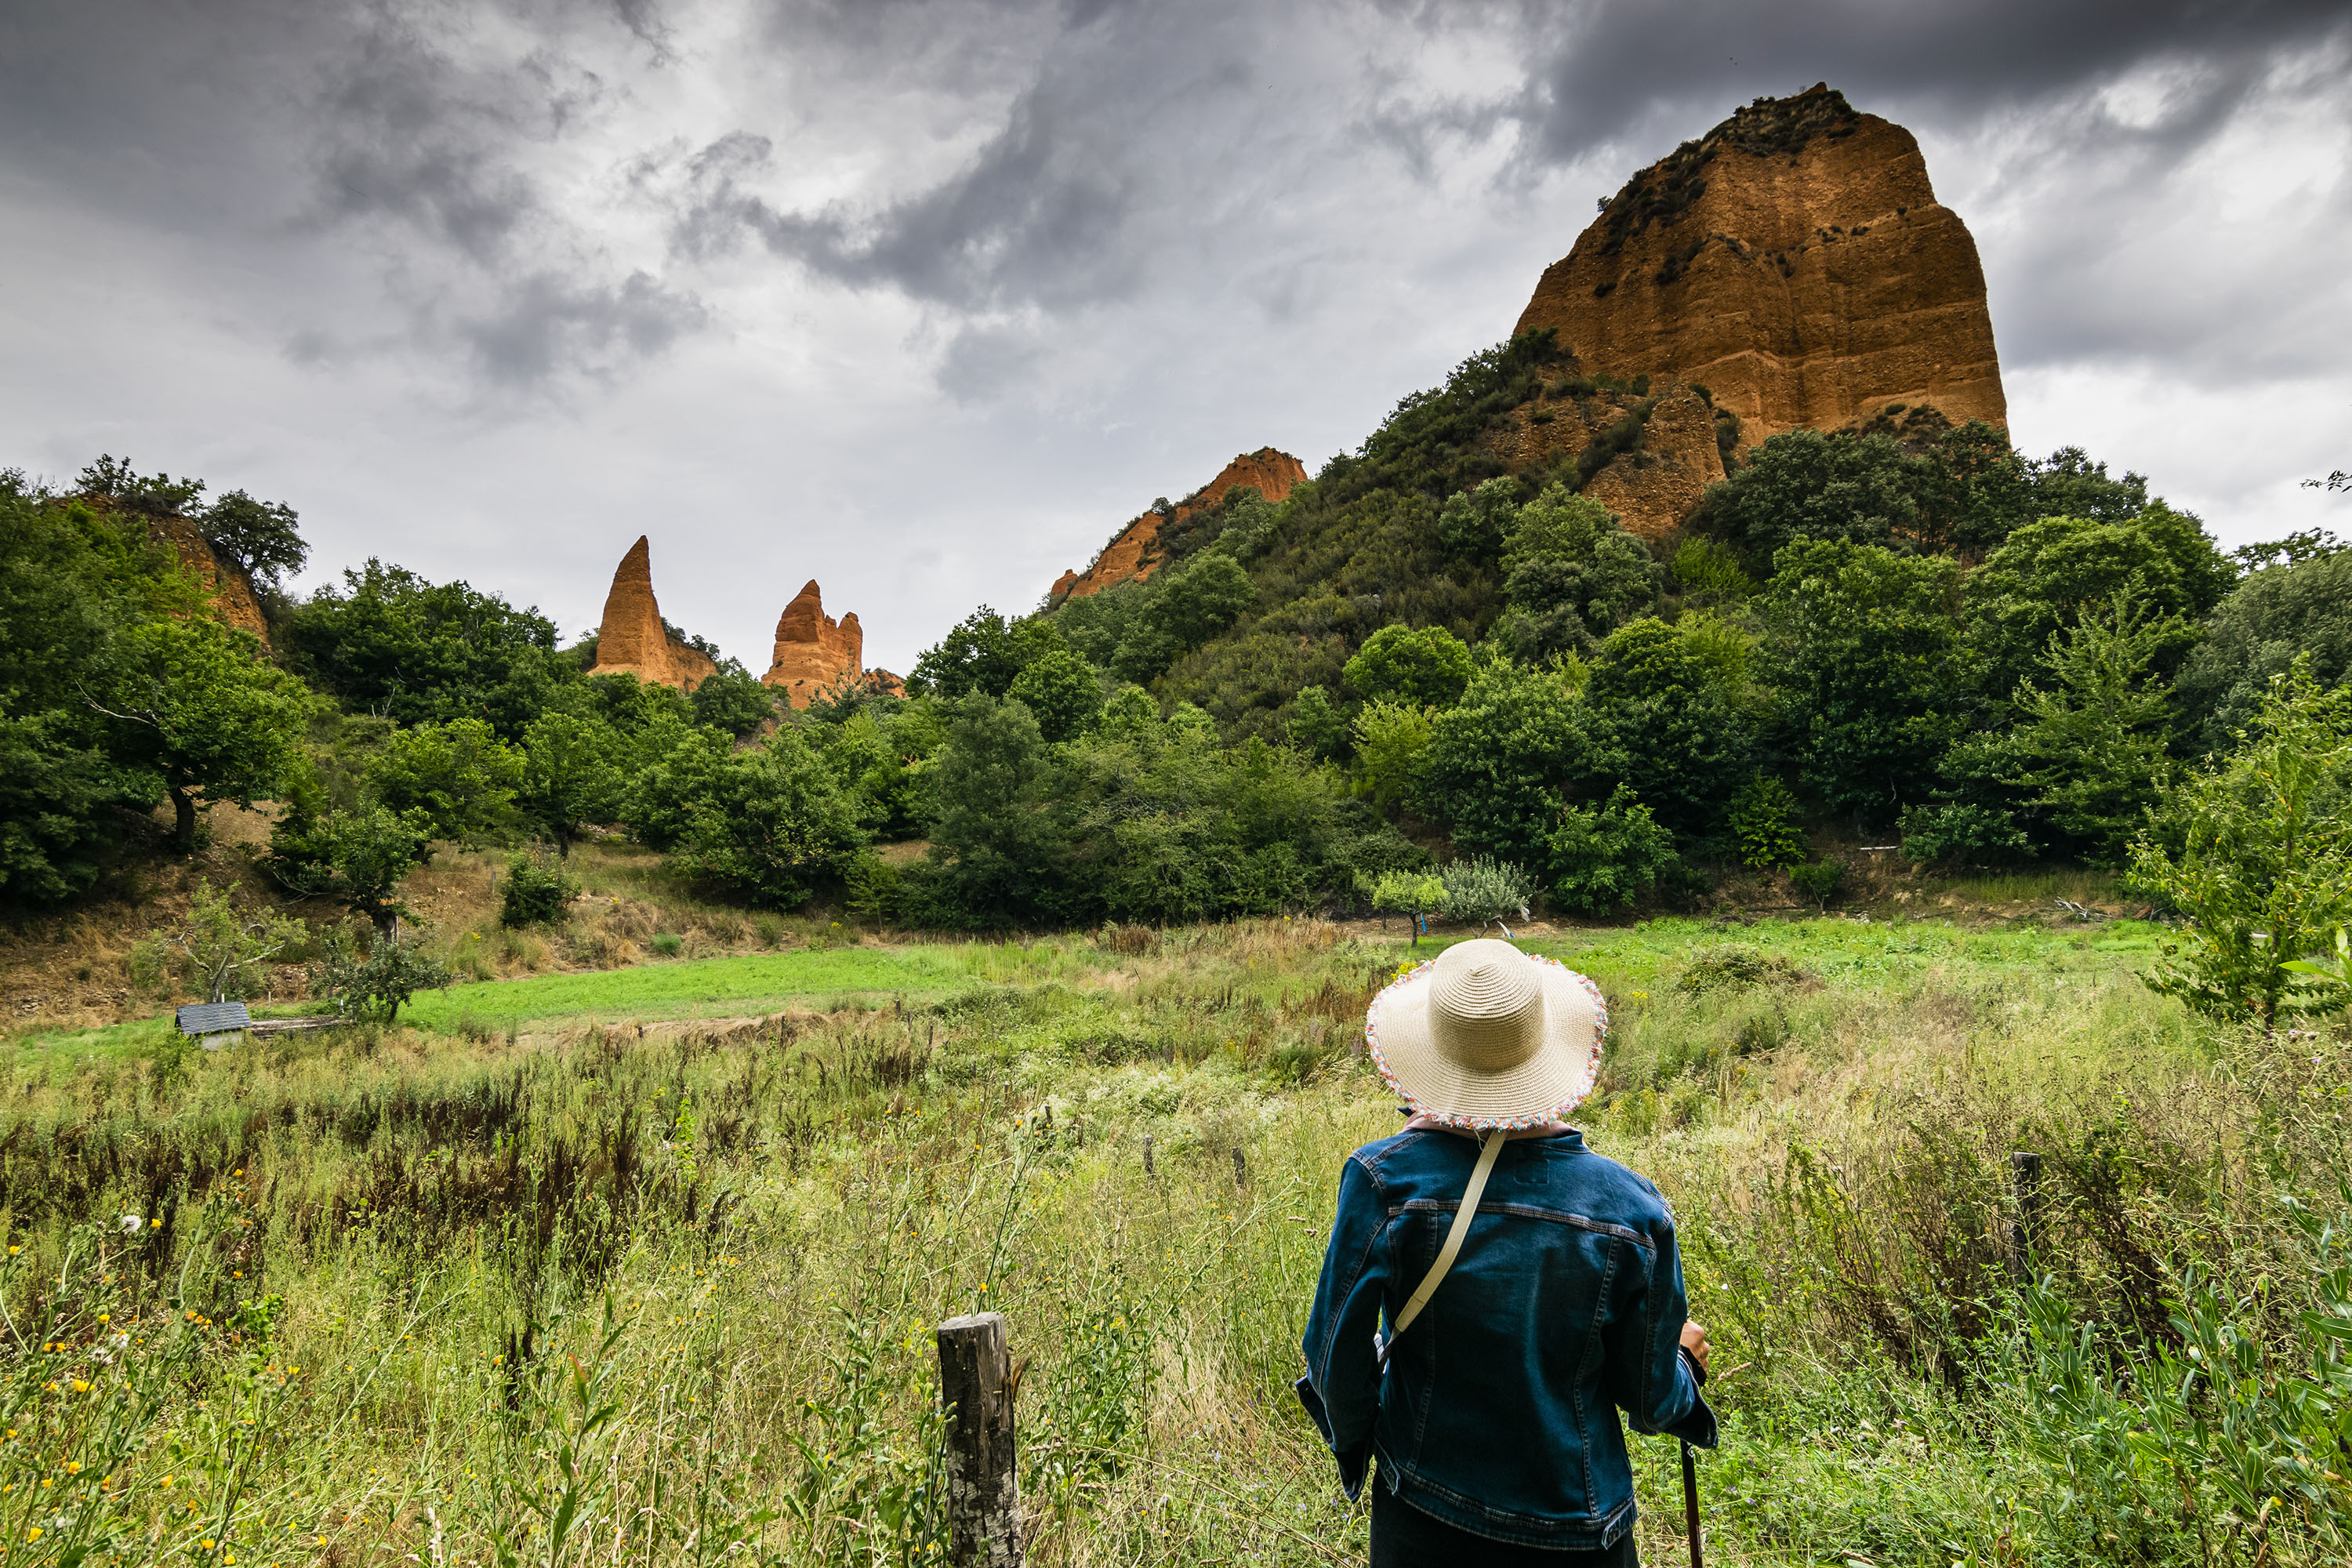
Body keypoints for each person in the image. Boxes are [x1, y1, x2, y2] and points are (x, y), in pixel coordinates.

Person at [1298, 938, 1715, 1565]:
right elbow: (1651, 1398)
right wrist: (1683, 1365)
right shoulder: (1632, 1208)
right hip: (1580, 1526)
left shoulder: (1384, 1181)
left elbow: (1333, 1360)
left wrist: (1362, 1443)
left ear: (1433, 1058)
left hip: (1423, 1514)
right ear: (1545, 1052)